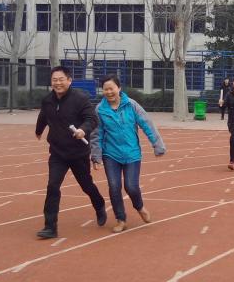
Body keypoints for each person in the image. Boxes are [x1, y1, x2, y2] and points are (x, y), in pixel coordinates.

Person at [34, 65, 108, 239]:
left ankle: (99, 205)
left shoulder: (80, 98)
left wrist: (83, 130)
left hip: (78, 153)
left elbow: (92, 119)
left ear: (69, 80)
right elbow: (44, 116)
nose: (58, 83)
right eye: (54, 80)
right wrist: (39, 130)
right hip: (58, 153)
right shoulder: (48, 100)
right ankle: (50, 227)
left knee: (86, 185)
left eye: (61, 79)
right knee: (52, 186)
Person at [90, 74, 166, 233]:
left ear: (119, 88)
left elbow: (146, 124)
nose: (109, 92)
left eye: (111, 88)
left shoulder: (131, 105)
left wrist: (157, 145)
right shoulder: (100, 110)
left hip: (132, 154)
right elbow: (97, 134)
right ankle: (121, 219)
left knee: (131, 186)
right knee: (114, 186)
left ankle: (140, 207)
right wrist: (96, 156)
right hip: (111, 154)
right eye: (105, 89)